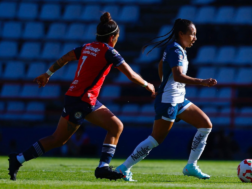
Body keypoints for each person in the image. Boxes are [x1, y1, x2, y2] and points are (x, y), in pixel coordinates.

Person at [8, 12, 155, 181]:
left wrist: (47, 73)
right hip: (80, 100)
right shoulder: (110, 52)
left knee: (115, 126)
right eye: (117, 37)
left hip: (84, 98)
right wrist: (147, 84)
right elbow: (130, 75)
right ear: (113, 37)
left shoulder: (87, 46)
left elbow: (66, 57)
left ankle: (103, 167)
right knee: (58, 139)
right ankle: (18, 159)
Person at [115, 18, 217, 181]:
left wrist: (162, 83)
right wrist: (202, 82)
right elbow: (177, 76)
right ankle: (123, 168)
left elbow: (161, 65)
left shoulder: (178, 50)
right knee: (155, 139)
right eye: (192, 34)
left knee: (205, 125)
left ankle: (191, 166)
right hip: (169, 101)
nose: (195, 38)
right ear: (181, 33)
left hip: (179, 99)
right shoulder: (175, 50)